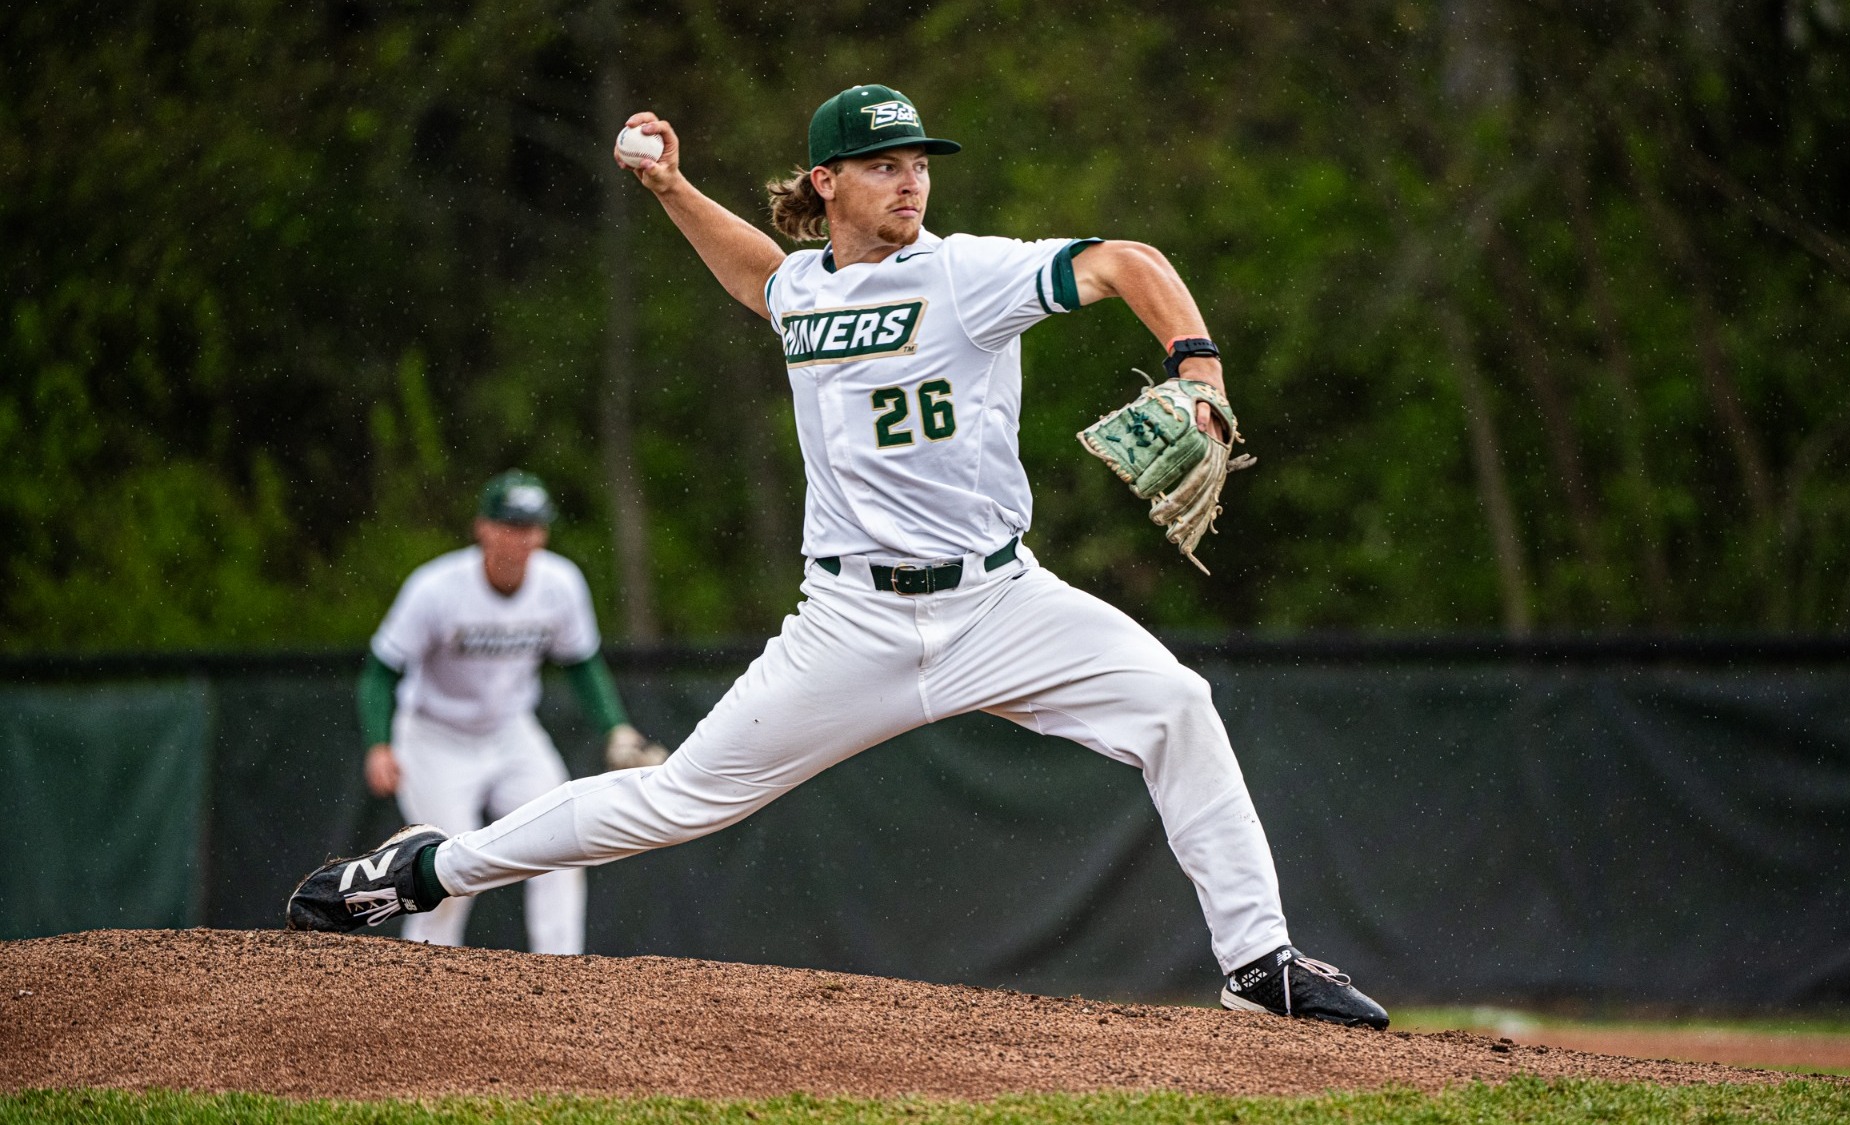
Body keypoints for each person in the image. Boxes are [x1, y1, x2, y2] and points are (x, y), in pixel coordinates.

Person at [290, 85, 1389, 1028]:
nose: (909, 183)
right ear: (825, 182)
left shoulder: (967, 275)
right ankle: (420, 870)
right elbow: (757, 279)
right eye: (880, 165)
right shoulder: (805, 292)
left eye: (916, 163)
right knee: (675, 800)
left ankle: (1258, 964)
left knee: (1176, 706)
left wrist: (1196, 370)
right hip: (849, 625)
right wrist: (672, 188)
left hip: (1003, 604)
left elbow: (1124, 260)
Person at [352, 469, 663, 954]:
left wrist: (615, 727)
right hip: (435, 737)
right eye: (513, 526)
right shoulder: (436, 589)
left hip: (510, 732)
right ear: (484, 528)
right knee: (445, 866)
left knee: (563, 844)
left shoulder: (559, 583)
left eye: (533, 527)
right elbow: (381, 672)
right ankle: (423, 984)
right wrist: (378, 743)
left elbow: (581, 663)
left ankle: (560, 973)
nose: (524, 539)